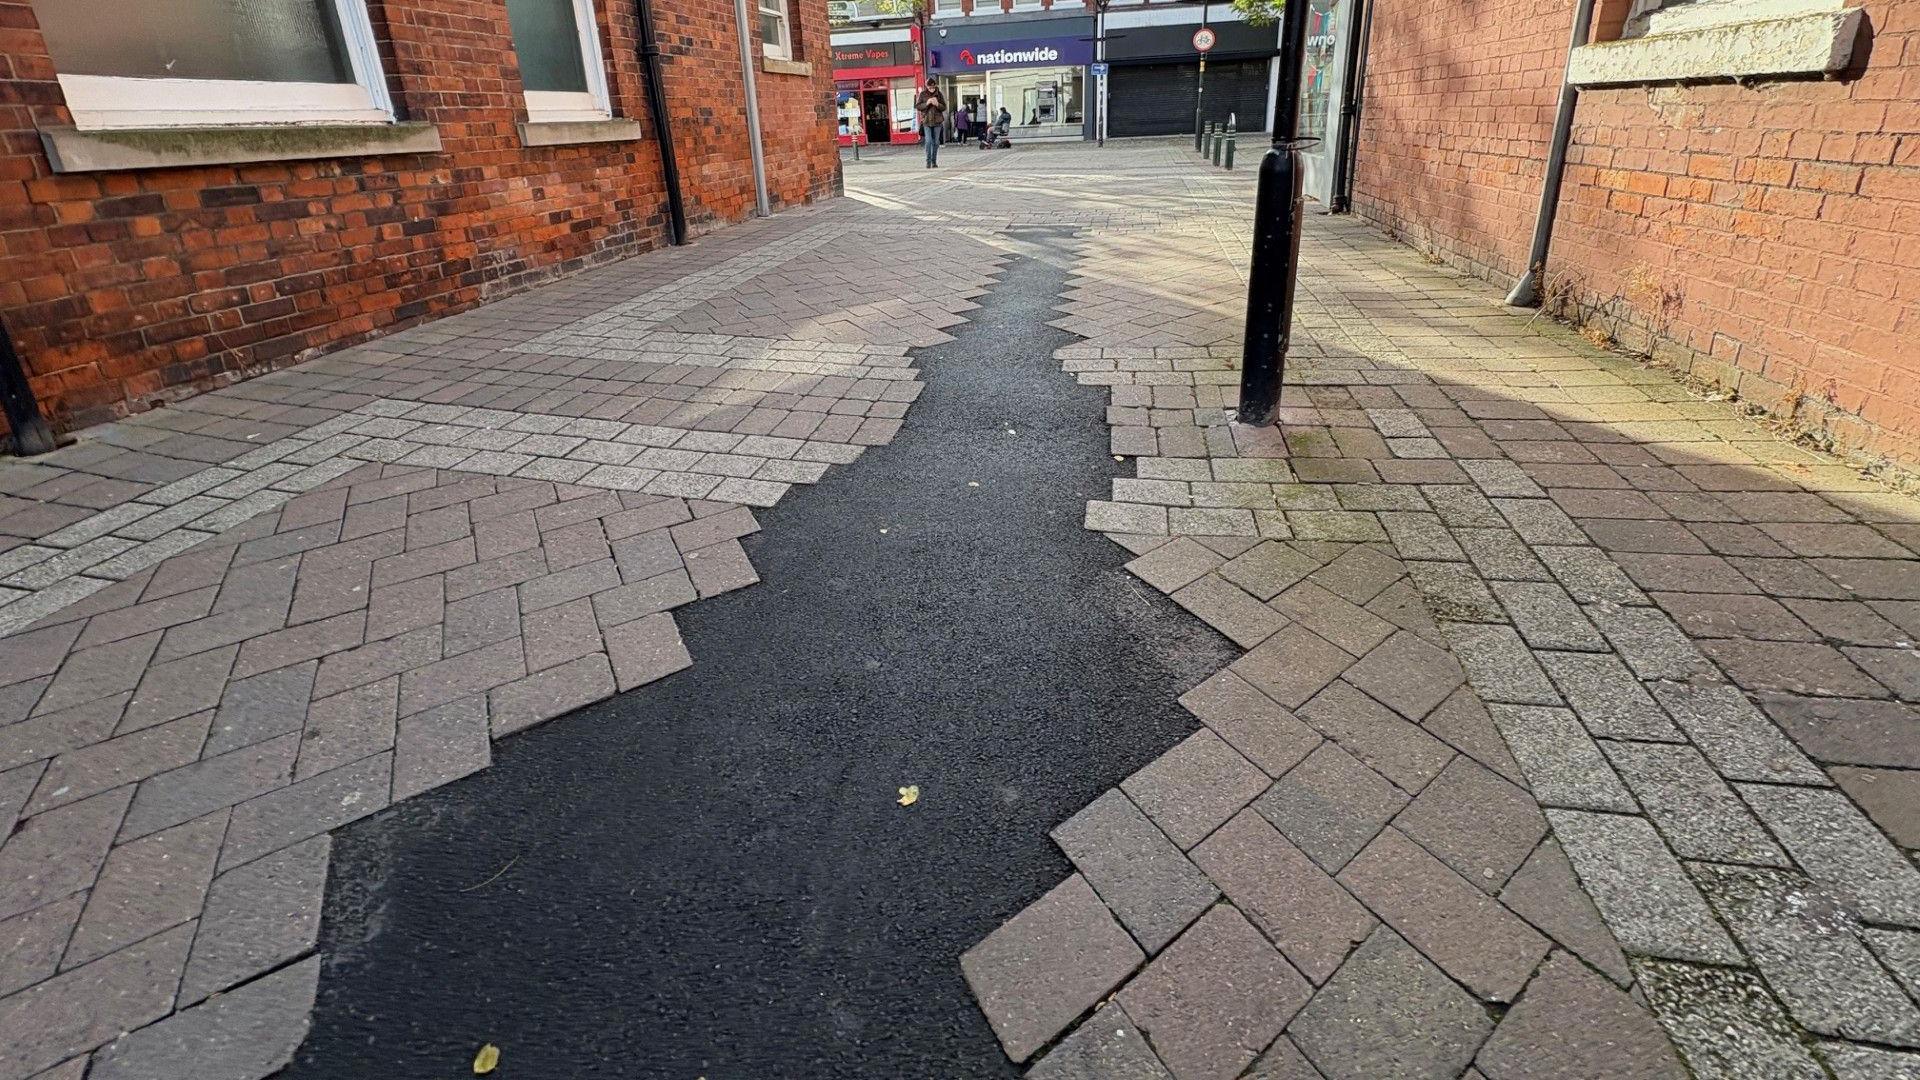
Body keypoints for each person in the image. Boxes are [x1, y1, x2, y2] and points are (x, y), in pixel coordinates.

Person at [914, 81, 947, 168]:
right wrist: (927, 103)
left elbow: (944, 107)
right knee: (928, 141)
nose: (932, 89)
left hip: (937, 121)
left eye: (933, 87)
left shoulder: (939, 94)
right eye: (930, 88)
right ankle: (928, 161)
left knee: (936, 142)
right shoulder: (923, 94)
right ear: (927, 87)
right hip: (926, 121)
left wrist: (937, 104)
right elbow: (917, 106)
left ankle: (934, 161)